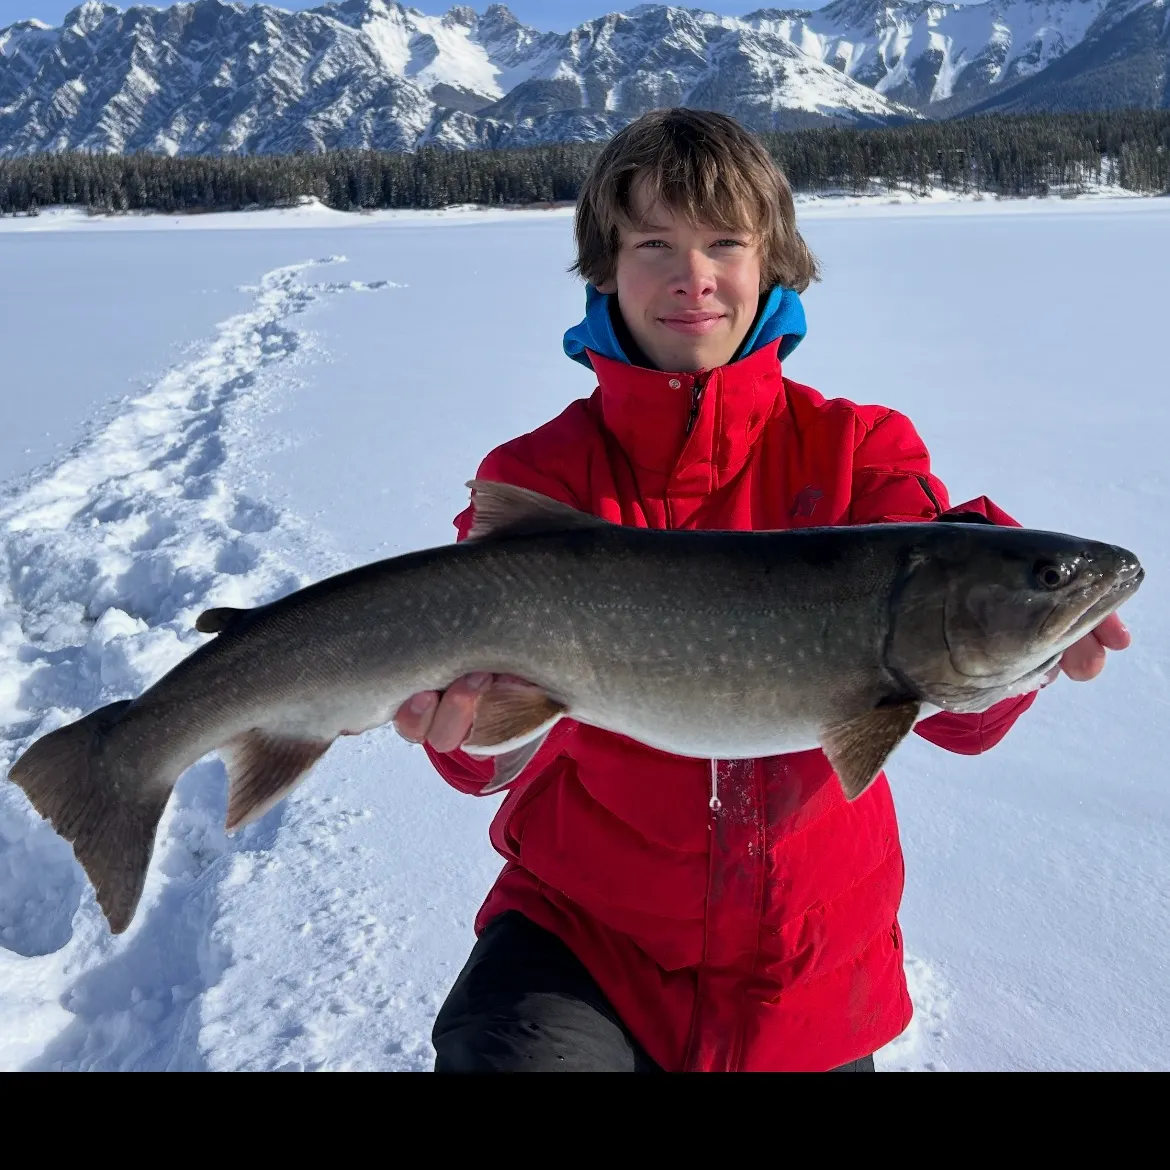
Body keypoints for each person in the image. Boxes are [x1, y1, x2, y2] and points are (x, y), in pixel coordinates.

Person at [394, 108, 1131, 1072]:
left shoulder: (862, 452)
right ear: (605, 266)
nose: (691, 276)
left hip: (808, 964)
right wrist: (471, 735)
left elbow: (955, 717)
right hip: (584, 937)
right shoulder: (542, 477)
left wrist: (1021, 646)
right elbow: (485, 755)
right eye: (653, 242)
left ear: (772, 262)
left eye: (725, 244)